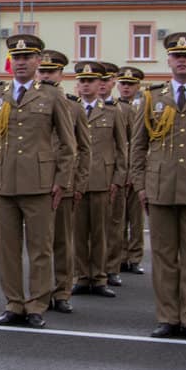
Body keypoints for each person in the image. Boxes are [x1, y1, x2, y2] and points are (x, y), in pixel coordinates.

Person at [0, 34, 75, 329]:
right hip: (4, 183)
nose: (21, 62)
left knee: (40, 248)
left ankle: (36, 305)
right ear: (11, 62)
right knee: (7, 249)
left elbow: (69, 146)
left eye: (27, 57)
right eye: (16, 58)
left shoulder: (53, 95)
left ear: (37, 61)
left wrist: (62, 181)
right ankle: (13, 303)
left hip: (40, 184)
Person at [130, 32, 186, 341]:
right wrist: (141, 185)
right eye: (176, 56)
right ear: (168, 60)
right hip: (160, 188)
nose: (182, 60)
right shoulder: (152, 97)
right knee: (165, 258)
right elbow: (138, 147)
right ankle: (168, 317)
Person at [35, 49, 90, 315]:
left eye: (51, 72)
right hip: (36, 183)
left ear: (61, 74)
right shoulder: (30, 100)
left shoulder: (74, 106)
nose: (45, 76)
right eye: (42, 71)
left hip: (63, 184)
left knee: (62, 242)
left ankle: (62, 291)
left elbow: (83, 150)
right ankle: (42, 292)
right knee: (40, 243)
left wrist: (75, 183)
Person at [69, 61, 127, 301]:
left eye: (90, 81)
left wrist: (118, 179)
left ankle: (100, 277)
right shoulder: (70, 109)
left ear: (100, 84)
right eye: (81, 81)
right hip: (77, 181)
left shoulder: (113, 111)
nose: (85, 85)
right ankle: (82, 277)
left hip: (104, 181)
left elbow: (122, 149)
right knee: (79, 233)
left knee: (102, 232)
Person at [114, 66, 147, 275]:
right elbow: (121, 144)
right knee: (119, 217)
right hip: (123, 167)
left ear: (138, 86)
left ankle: (135, 257)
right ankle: (121, 255)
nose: (126, 87)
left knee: (136, 217)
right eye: (123, 83)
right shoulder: (115, 106)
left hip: (141, 167)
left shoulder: (146, 103)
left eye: (131, 84)